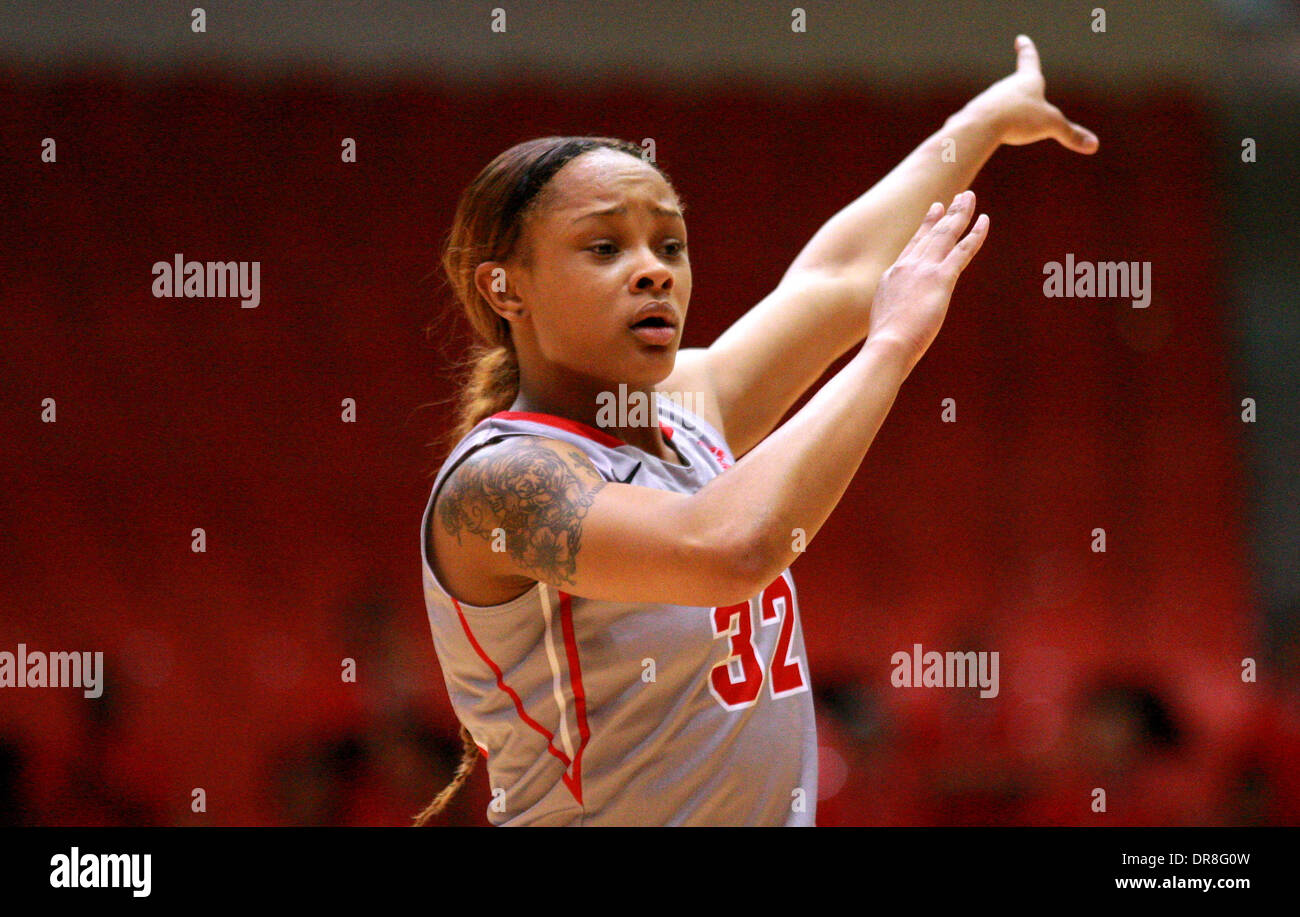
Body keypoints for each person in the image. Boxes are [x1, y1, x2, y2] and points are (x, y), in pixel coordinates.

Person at [416, 36, 1097, 826]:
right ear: (505, 288)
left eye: (669, 243)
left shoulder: (682, 411)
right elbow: (731, 548)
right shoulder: (503, 482)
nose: (654, 270)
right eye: (605, 247)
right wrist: (890, 349)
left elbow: (837, 279)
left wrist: (981, 124)